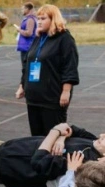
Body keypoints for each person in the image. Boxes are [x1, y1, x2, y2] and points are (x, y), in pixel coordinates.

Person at [16, 4, 79, 137]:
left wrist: (66, 91)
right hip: (34, 97)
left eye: (43, 18)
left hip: (52, 98)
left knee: (52, 136)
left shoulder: (64, 39)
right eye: (38, 18)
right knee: (36, 137)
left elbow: (69, 66)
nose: (39, 21)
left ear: (53, 19)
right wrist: (22, 85)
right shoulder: (38, 38)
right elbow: (27, 63)